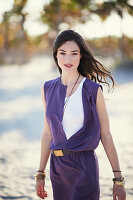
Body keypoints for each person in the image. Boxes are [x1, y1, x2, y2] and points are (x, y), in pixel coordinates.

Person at [34, 30, 126, 200]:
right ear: (56, 55)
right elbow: (48, 132)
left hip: (85, 166)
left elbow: (105, 135)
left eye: (73, 53)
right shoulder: (47, 88)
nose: (68, 59)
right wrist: (40, 173)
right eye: (63, 53)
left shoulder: (92, 90)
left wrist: (118, 179)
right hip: (58, 167)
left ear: (81, 56)